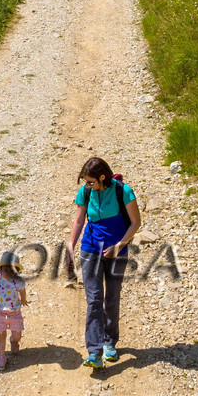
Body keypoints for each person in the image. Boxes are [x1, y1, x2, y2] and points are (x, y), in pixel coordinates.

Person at [68, 156, 141, 369]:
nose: (87, 186)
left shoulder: (123, 191)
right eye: (85, 182)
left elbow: (136, 222)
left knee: (112, 296)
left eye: (91, 181)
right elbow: (79, 220)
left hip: (117, 250)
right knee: (94, 299)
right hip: (91, 248)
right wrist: (70, 246)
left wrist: (119, 245)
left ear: (102, 177)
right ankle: (94, 352)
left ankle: (110, 342)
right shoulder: (86, 192)